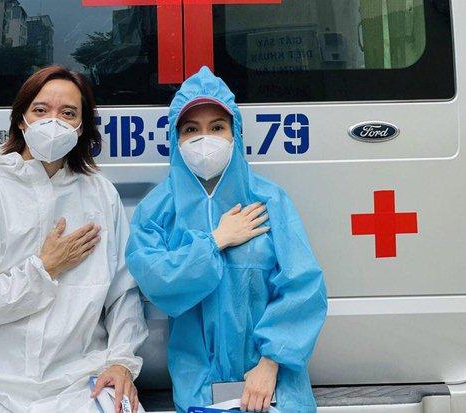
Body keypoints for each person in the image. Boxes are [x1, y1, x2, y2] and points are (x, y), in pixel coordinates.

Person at [0, 66, 148, 413]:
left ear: (82, 127)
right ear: (21, 120)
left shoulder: (101, 196)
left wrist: (121, 362)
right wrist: (44, 268)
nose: (53, 122)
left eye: (68, 113)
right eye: (41, 110)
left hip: (77, 380)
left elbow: (123, 294)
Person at [125, 67, 327, 413]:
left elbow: (303, 286)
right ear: (175, 139)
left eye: (217, 127)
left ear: (235, 133)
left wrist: (271, 363)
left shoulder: (268, 200)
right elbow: (157, 281)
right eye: (191, 129)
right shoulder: (157, 209)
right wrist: (215, 241)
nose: (205, 139)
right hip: (200, 386)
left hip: (272, 385)